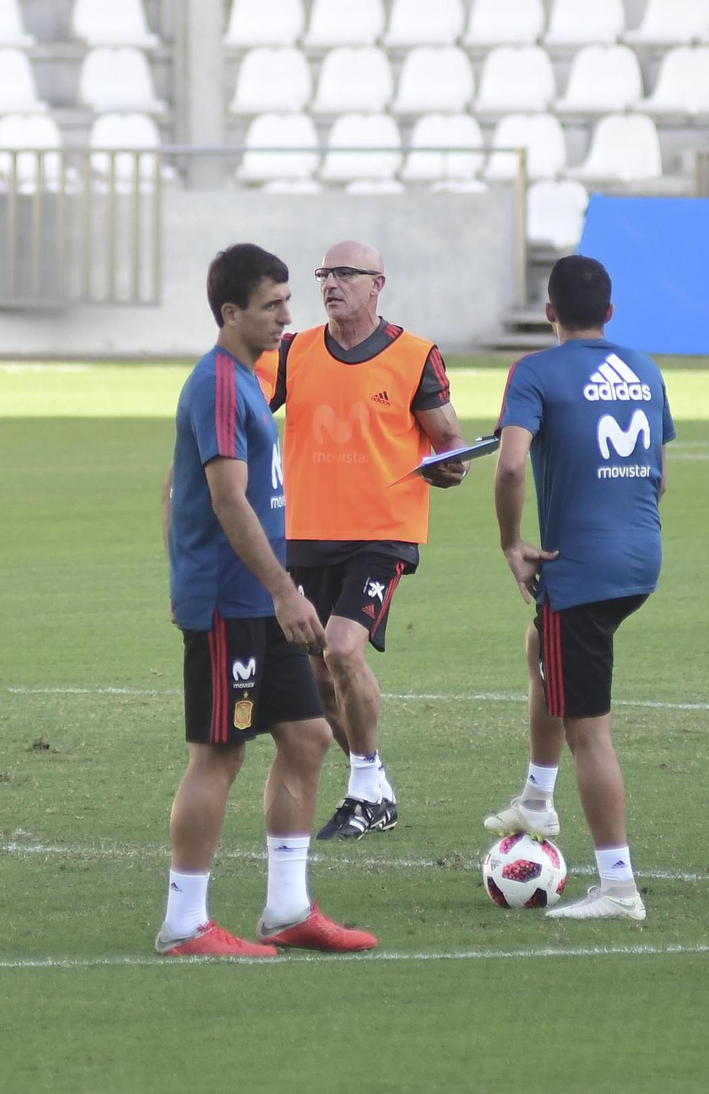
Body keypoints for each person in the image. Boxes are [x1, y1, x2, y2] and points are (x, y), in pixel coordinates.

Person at [158, 243, 377, 957]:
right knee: (219, 755)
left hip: (257, 598)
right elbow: (224, 498)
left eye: (288, 300)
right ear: (230, 313)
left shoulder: (249, 378)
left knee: (309, 737)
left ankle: (287, 909)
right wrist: (280, 589)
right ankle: (184, 923)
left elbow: (170, 487)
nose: (289, 315)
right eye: (272, 305)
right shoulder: (221, 382)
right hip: (235, 601)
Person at [254, 240, 470, 840]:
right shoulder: (292, 353)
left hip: (382, 533)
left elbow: (450, 441)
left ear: (378, 283)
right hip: (305, 535)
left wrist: (451, 465)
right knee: (319, 677)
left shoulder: (414, 355)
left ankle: (365, 785)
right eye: (324, 274)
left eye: (345, 273)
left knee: (342, 648)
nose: (331, 283)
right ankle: (372, 788)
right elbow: (243, 407)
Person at [485, 255, 674, 921]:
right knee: (541, 646)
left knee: (590, 730)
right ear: (611, 313)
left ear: (549, 313)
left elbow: (509, 468)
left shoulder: (533, 372)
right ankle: (537, 797)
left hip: (580, 567)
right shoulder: (644, 369)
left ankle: (618, 886)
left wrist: (513, 543)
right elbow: (657, 472)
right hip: (639, 556)